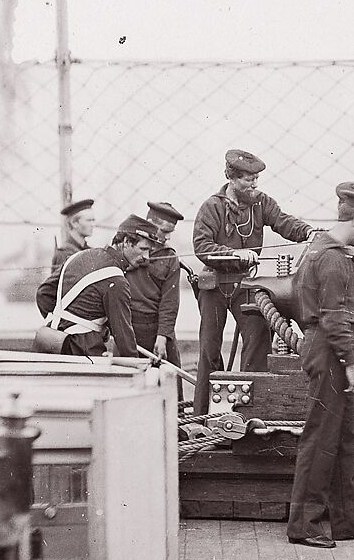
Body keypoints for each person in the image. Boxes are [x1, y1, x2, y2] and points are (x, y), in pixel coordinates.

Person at [286, 183, 354, 548]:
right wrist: (349, 362)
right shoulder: (331, 258)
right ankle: (303, 525)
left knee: (344, 439)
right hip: (327, 350)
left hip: (335, 348)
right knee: (320, 439)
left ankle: (347, 521)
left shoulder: (333, 253)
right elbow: (332, 315)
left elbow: (341, 315)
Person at [193, 149, 313, 412]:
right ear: (232, 178)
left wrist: (308, 231)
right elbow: (202, 246)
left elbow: (283, 222)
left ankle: (248, 410)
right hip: (214, 287)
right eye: (248, 179)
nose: (254, 184)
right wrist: (235, 254)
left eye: (256, 178)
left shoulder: (262, 203)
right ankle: (204, 414)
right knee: (209, 349)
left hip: (246, 286)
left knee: (258, 340)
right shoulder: (212, 206)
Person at [36, 214, 160, 358]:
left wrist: (65, 324)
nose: (147, 257)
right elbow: (123, 335)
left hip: (53, 340)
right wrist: (136, 365)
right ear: (126, 242)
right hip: (84, 349)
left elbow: (43, 294)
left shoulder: (81, 256)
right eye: (143, 249)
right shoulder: (117, 280)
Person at [129, 201, 184, 364]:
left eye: (170, 232)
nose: (167, 237)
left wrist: (163, 337)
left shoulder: (169, 257)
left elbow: (170, 302)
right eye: (165, 231)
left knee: (172, 380)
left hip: (157, 330)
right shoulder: (128, 248)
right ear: (150, 224)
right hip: (128, 329)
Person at [50, 198, 96, 279]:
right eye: (89, 220)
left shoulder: (91, 251)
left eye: (93, 220)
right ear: (74, 223)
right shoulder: (63, 254)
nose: (93, 224)